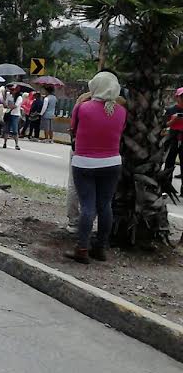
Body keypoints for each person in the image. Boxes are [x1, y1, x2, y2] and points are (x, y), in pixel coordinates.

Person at [65, 72, 126, 264]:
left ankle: (82, 248)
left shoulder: (82, 108)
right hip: (112, 163)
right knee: (105, 205)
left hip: (84, 162)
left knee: (88, 206)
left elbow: (73, 128)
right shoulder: (121, 111)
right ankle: (100, 247)